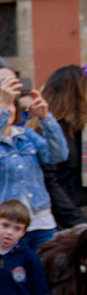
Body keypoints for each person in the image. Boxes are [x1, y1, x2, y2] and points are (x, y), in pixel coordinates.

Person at [0, 76, 68, 250]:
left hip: (39, 222)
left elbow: (58, 155)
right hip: (2, 228)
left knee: (47, 266)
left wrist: (45, 118)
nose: (7, 109)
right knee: (2, 268)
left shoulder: (27, 135)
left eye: (10, 103)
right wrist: (3, 109)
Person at [35, 65, 87, 229]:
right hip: (66, 220)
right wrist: (78, 221)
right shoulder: (50, 132)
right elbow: (50, 182)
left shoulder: (79, 129)